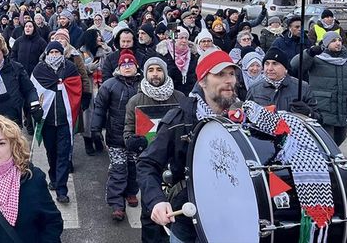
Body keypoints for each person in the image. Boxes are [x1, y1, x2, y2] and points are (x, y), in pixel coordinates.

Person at [137, 49, 240, 243]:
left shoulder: (245, 117)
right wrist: (157, 201)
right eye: (219, 74)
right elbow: (146, 164)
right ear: (202, 81)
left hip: (234, 222)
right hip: (189, 224)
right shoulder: (179, 119)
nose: (229, 80)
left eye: (232, 74)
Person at [123, 57, 185, 241]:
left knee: (178, 216)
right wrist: (132, 141)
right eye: (151, 70)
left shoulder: (180, 98)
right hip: (150, 165)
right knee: (151, 216)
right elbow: (127, 131)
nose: (155, 74)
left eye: (159, 70)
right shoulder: (135, 101)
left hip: (176, 166)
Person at [92, 49, 141, 221]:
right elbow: (100, 108)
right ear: (119, 67)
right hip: (115, 136)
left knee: (134, 167)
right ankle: (117, 204)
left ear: (136, 66)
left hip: (136, 137)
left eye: (130, 64)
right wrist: (96, 128)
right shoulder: (109, 85)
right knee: (119, 169)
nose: (127, 67)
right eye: (124, 64)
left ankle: (131, 193)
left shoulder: (143, 85)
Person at [32, 41, 82, 204]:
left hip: (63, 120)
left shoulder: (69, 68)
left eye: (57, 52)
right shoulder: (40, 69)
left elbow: (76, 87)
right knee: (51, 152)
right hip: (47, 121)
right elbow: (33, 91)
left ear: (62, 53)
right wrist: (34, 110)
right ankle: (53, 177)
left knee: (63, 154)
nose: (54, 55)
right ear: (47, 53)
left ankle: (62, 190)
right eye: (51, 52)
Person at [291, 32, 347, 146]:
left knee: (340, 137)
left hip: (343, 108)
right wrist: (309, 52)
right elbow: (295, 65)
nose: (338, 43)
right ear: (326, 43)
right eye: (333, 41)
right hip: (323, 109)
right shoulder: (317, 58)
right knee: (326, 142)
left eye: (339, 40)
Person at [246, 47, 318, 116]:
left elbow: (319, 118)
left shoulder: (302, 88)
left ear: (285, 68)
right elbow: (246, 116)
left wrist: (308, 112)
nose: (270, 68)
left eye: (275, 64)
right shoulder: (254, 89)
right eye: (267, 64)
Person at [79, 29, 112, 156]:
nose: (99, 38)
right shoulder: (81, 52)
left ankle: (97, 136)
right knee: (88, 115)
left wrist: (107, 49)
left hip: (102, 85)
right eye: (96, 36)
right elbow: (79, 69)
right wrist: (88, 68)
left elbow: (111, 62)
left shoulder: (103, 50)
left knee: (102, 112)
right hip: (88, 86)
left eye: (100, 36)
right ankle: (87, 140)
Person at [157, 28, 198, 95]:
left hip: (188, 93)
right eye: (181, 38)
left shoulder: (192, 55)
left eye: (186, 38)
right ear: (175, 39)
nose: (184, 41)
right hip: (171, 93)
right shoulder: (164, 54)